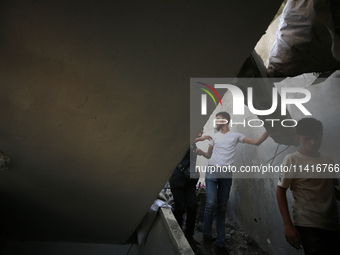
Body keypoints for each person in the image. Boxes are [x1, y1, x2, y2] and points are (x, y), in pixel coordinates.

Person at [196, 111, 269, 254]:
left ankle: (221, 244)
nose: (216, 122)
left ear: (225, 120)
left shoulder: (236, 136)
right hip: (212, 172)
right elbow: (209, 155)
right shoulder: (214, 137)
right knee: (210, 203)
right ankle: (206, 237)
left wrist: (269, 131)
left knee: (222, 207)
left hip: (226, 176)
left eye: (218, 119)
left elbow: (256, 142)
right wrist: (201, 153)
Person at [276, 117, 340, 255]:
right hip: (308, 225)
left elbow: (331, 189)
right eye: (307, 139)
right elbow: (280, 191)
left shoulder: (328, 159)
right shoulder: (292, 160)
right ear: (299, 138)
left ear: (321, 135)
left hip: (332, 224)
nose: (313, 142)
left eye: (316, 138)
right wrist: (288, 225)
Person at [169, 128, 211, 251]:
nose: (200, 134)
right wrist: (201, 138)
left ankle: (189, 237)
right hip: (178, 177)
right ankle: (177, 236)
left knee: (192, 206)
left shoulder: (194, 146)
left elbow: (206, 155)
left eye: (202, 133)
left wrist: (203, 151)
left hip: (190, 180)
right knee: (180, 207)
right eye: (199, 132)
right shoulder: (184, 140)